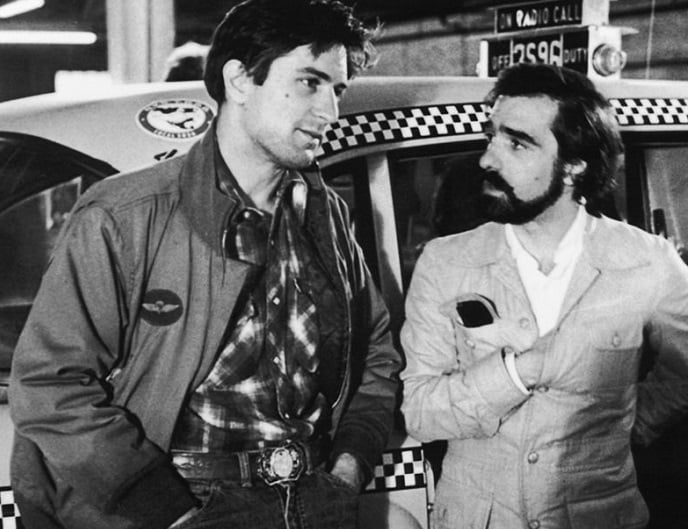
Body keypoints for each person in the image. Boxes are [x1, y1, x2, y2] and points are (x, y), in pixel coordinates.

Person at [9, 1, 401, 528]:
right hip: (185, 503)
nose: (330, 111)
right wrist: (164, 509)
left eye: (338, 90)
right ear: (238, 80)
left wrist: (349, 467)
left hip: (315, 498)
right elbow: (50, 382)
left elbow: (376, 354)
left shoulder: (323, 214)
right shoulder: (127, 215)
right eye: (310, 82)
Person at [400, 63, 688, 529]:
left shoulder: (649, 263)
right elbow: (421, 413)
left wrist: (617, 432)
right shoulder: (445, 262)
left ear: (574, 166)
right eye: (491, 138)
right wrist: (518, 372)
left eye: (517, 144)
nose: (487, 159)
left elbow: (686, 376)